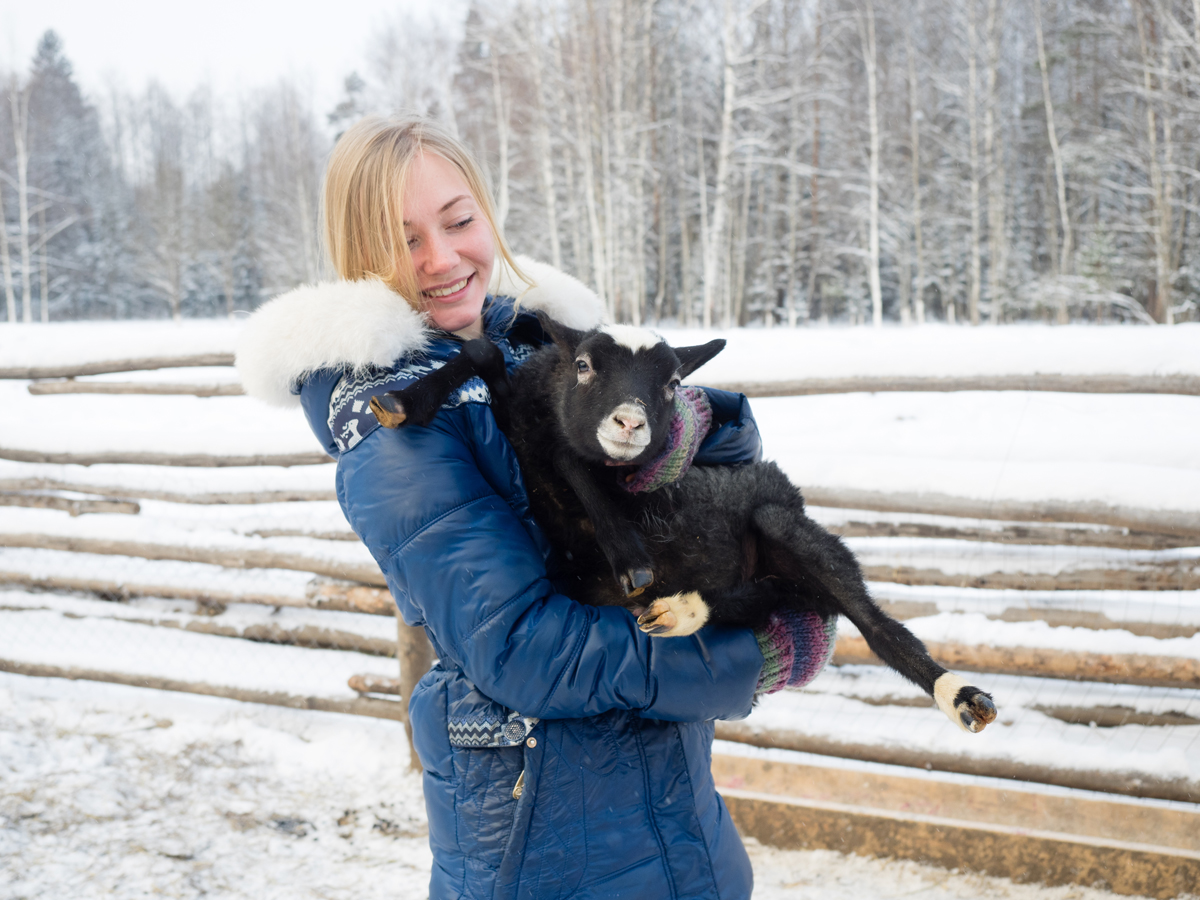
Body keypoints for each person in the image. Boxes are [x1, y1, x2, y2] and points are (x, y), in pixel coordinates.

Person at [236, 116, 836, 900]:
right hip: (549, 840)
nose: (444, 258)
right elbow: (527, 652)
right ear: (359, 254)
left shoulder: (547, 351)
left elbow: (715, 495)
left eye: (458, 221)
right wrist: (749, 654)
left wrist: (686, 423)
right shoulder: (391, 423)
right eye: (405, 238)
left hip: (676, 818)